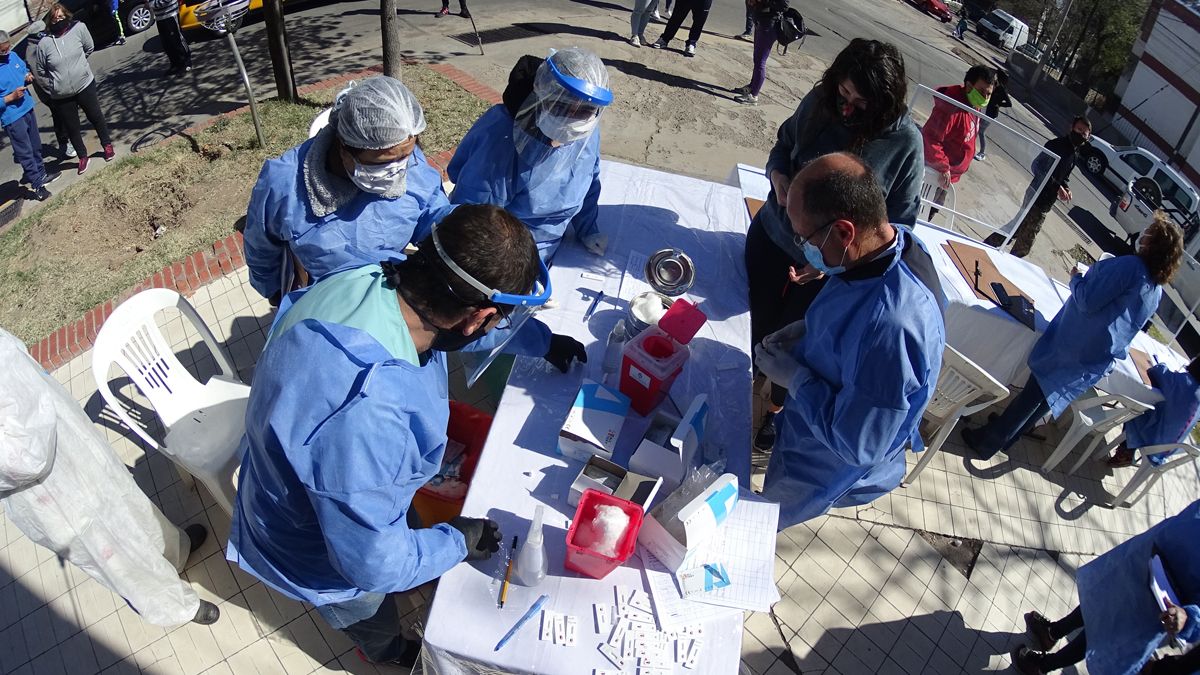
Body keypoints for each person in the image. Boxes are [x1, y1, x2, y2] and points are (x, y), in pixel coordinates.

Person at [227, 205, 586, 666]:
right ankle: (387, 651)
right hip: (317, 549)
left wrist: (541, 341)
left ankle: (411, 582)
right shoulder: (366, 417)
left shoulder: (375, 272)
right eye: (496, 322)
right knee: (369, 611)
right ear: (478, 317)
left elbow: (452, 329)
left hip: (304, 476)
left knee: (405, 543)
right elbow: (369, 563)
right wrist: (456, 541)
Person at [746, 38, 923, 449]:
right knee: (756, 321)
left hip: (829, 271)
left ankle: (773, 409)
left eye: (860, 105)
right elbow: (783, 144)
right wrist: (779, 179)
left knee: (795, 348)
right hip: (773, 236)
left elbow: (898, 224)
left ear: (885, 105)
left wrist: (833, 263)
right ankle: (748, 375)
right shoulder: (820, 101)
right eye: (843, 94)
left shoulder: (905, 144)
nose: (846, 109)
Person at [756, 153, 946, 529]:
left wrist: (797, 378)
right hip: (804, 427)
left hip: (822, 462)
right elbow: (851, 310)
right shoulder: (891, 244)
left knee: (766, 519)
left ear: (844, 231)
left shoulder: (893, 329)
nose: (803, 247)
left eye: (805, 237)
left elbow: (857, 443)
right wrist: (810, 331)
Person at [0, 328, 219, 627]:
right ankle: (174, 606)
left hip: (68, 445)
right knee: (111, 553)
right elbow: (24, 459)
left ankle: (173, 552)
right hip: (46, 492)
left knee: (124, 501)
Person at [962, 215, 1183, 459]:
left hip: (1076, 345)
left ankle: (987, 443)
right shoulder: (1156, 290)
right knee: (1044, 398)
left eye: (1149, 232)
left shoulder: (1131, 267)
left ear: (1153, 243)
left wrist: (1076, 278)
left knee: (1033, 395)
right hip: (1096, 354)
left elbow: (1088, 300)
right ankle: (1007, 432)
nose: (1144, 235)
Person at [243, 76, 452, 303]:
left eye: (405, 156)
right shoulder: (284, 183)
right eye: (382, 162)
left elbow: (432, 209)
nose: (398, 170)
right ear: (344, 148)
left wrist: (459, 230)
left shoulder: (405, 154)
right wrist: (275, 292)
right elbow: (261, 248)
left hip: (388, 288)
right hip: (328, 298)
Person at [447, 49, 612, 261]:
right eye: (562, 106)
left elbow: (589, 180)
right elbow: (475, 221)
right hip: (504, 251)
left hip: (551, 248)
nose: (572, 119)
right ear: (543, 95)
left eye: (585, 110)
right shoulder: (502, 139)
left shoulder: (586, 133)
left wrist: (588, 229)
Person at [1010, 499, 1200, 674]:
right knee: (1099, 600)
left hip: (1162, 601)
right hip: (1146, 554)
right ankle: (1053, 632)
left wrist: (1189, 620)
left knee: (1104, 630)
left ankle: (1044, 666)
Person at [983, 116, 1092, 258]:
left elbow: (1063, 176)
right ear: (1072, 128)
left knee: (1018, 227)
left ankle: (988, 244)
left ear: (1088, 137)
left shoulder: (1074, 154)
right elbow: (1038, 167)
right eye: (1079, 130)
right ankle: (1010, 259)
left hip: (1047, 201)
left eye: (1084, 133)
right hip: (1036, 194)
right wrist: (1058, 187)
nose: (1080, 134)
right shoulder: (1056, 145)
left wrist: (1066, 187)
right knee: (1027, 237)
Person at [31, 3, 116, 175]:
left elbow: (89, 47)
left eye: (61, 17)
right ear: (49, 21)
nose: (58, 21)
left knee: (96, 116)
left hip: (84, 85)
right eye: (55, 19)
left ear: (67, 16)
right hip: (61, 95)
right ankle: (83, 157)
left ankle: (106, 145)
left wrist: (80, 67)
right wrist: (53, 84)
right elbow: (40, 70)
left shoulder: (79, 29)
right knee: (72, 128)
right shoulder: (44, 44)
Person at [922, 65, 996, 220]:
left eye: (988, 94)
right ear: (969, 86)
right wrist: (942, 166)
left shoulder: (973, 105)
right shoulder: (951, 108)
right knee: (921, 212)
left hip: (948, 177)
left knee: (932, 211)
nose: (985, 98)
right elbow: (930, 138)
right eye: (982, 92)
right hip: (935, 175)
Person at [1104, 355, 1200, 468]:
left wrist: (1162, 365)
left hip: (1154, 438)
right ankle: (1127, 450)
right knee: (1156, 409)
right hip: (1172, 447)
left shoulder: (1183, 381)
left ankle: (1126, 451)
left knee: (1138, 410)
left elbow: (1157, 372)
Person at [0, 30, 58, 201]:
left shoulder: (13, 57)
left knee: (35, 146)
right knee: (25, 152)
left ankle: (42, 174)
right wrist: (10, 98)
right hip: (12, 116)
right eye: (2, 50)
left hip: (27, 107)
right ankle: (37, 186)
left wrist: (27, 75)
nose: (6, 52)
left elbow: (22, 68)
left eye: (8, 48)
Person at [733, 0, 788, 106]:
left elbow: (784, 6)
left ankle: (753, 96)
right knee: (756, 58)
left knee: (760, 62)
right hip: (761, 21)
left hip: (770, 24)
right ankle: (751, 87)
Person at [973, 69, 1009, 161]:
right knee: (975, 127)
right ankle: (969, 144)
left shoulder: (1002, 89)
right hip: (984, 109)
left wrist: (998, 104)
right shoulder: (994, 84)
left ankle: (982, 153)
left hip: (991, 114)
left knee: (981, 131)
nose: (995, 76)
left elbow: (1009, 103)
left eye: (997, 75)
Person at [149, 0, 191, 75]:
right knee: (167, 43)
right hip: (160, 17)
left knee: (177, 40)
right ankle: (175, 65)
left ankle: (186, 64)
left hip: (170, 15)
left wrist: (151, 5)